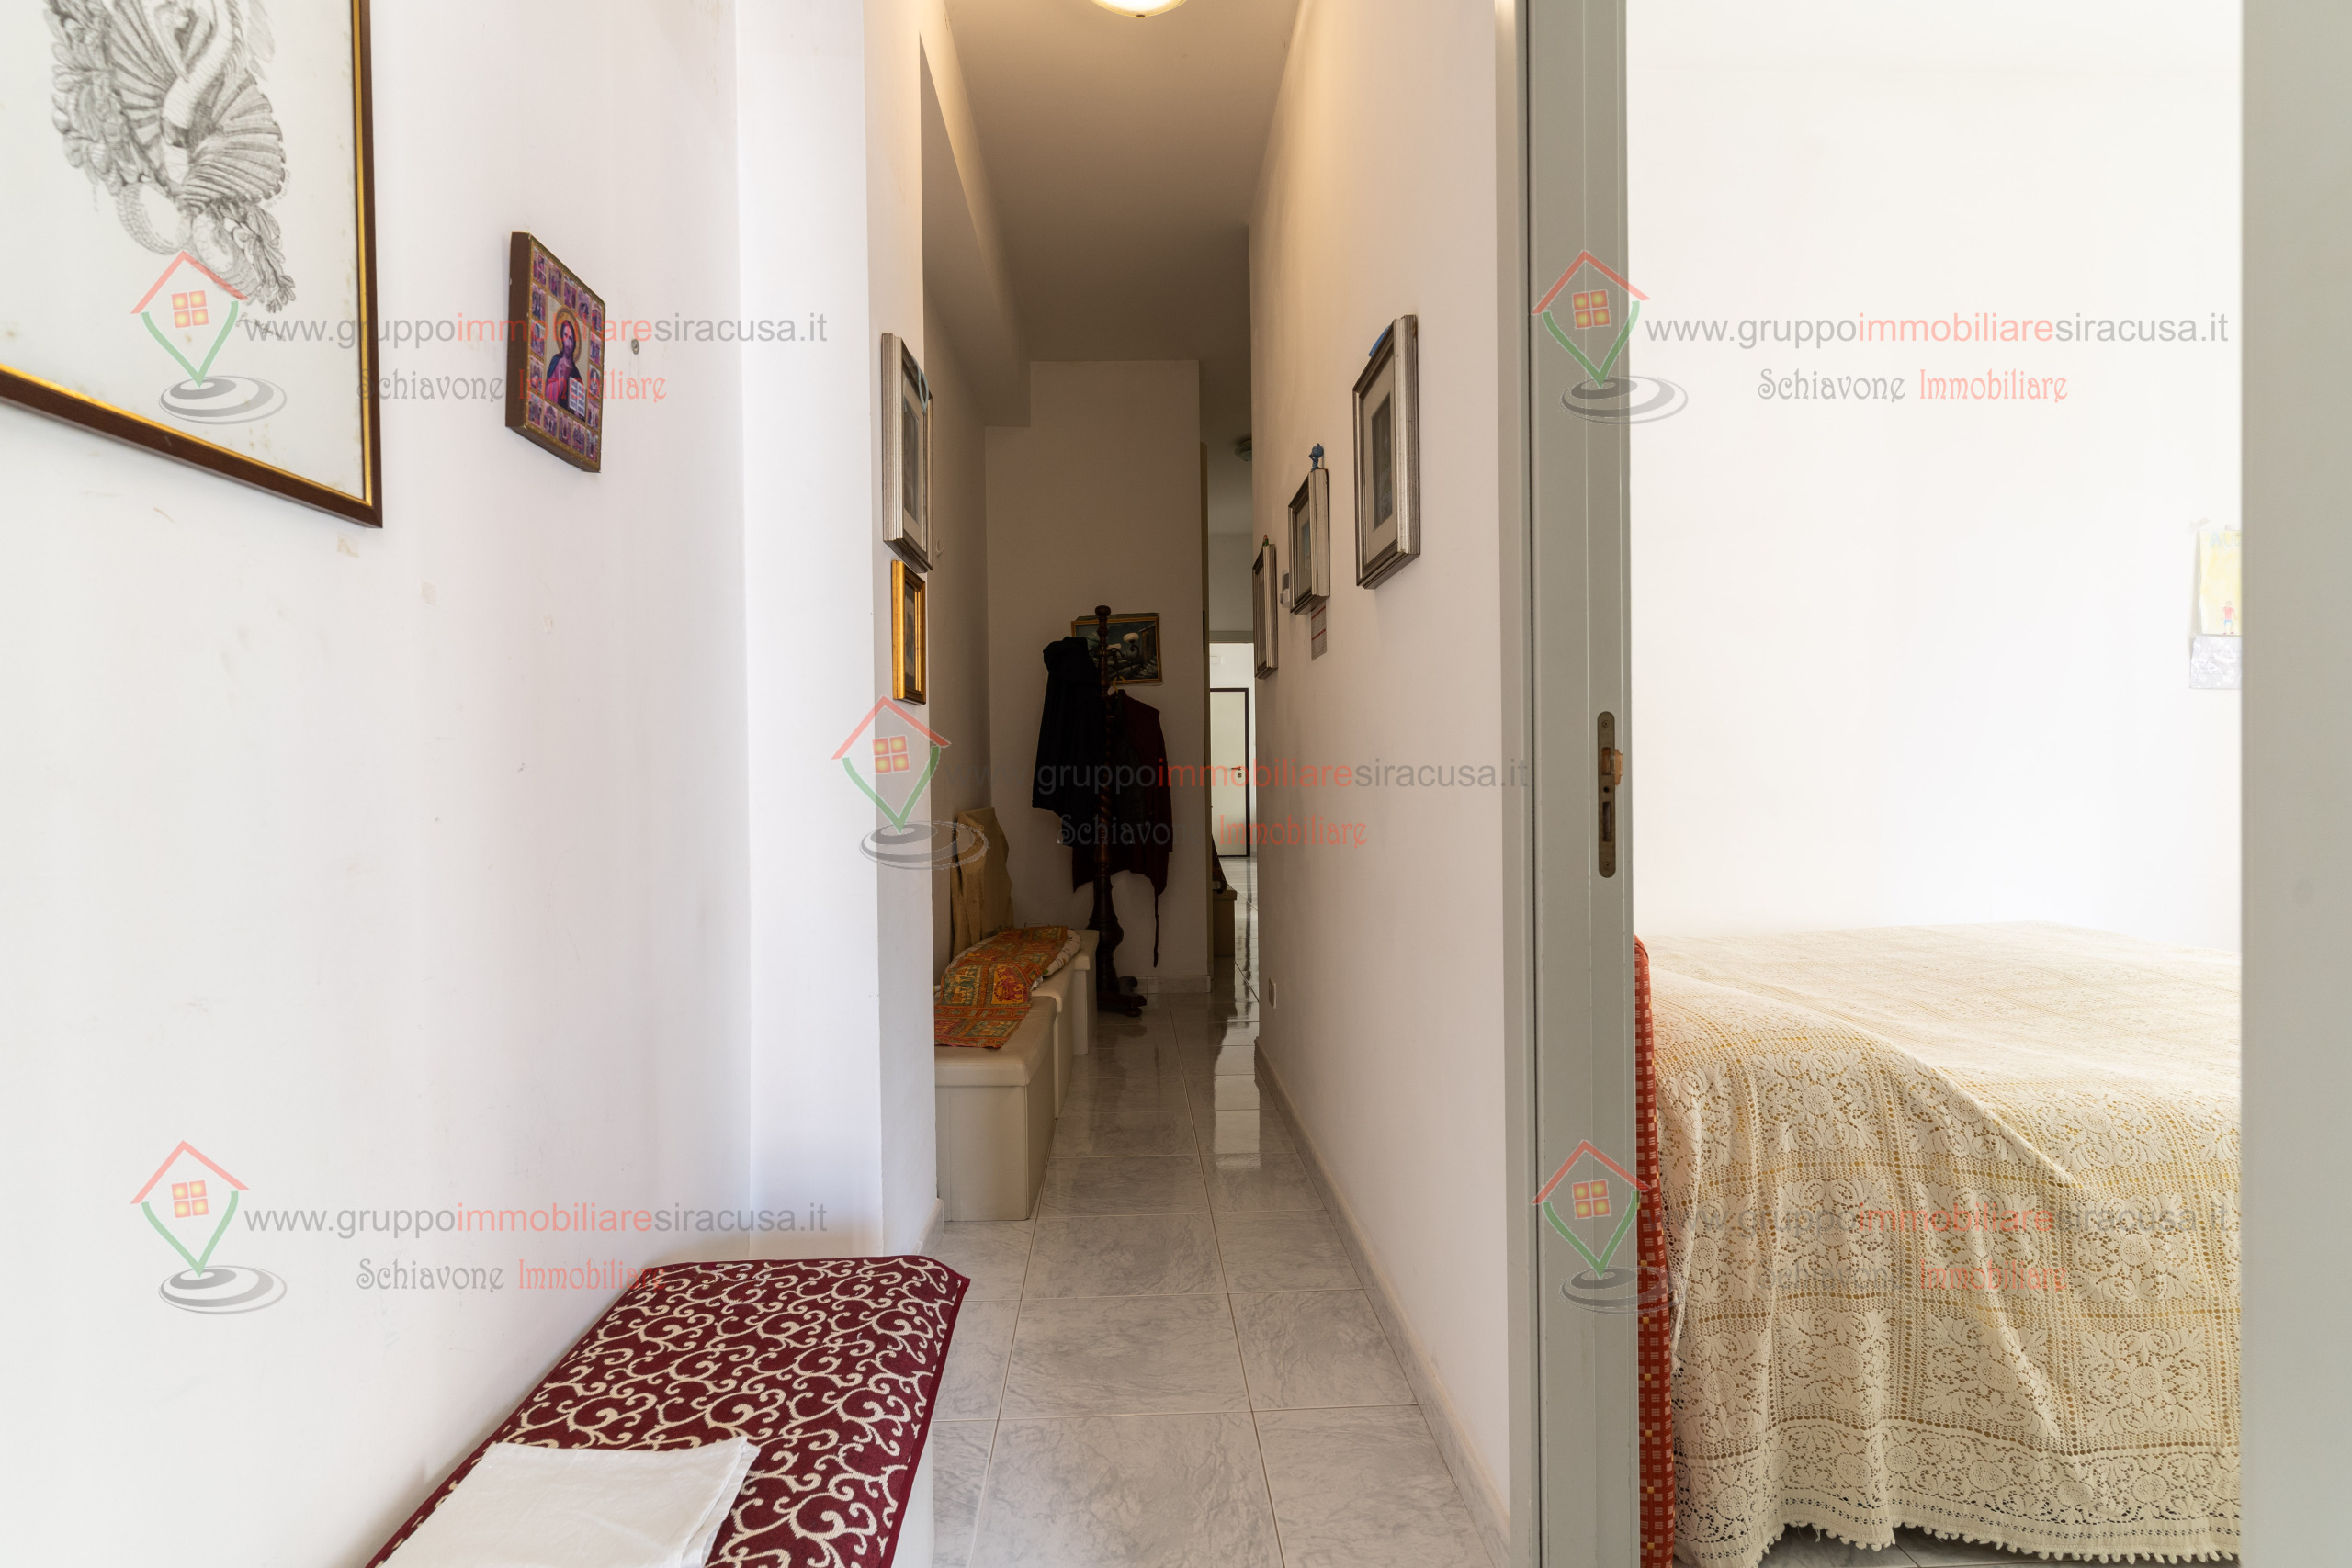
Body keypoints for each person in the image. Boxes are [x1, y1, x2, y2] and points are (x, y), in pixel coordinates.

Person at [544, 319, 582, 412]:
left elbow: (580, 405)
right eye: (565, 335)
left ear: (574, 344)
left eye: (571, 339)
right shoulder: (556, 361)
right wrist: (559, 382)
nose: (568, 343)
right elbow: (547, 390)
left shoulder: (576, 374)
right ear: (561, 337)